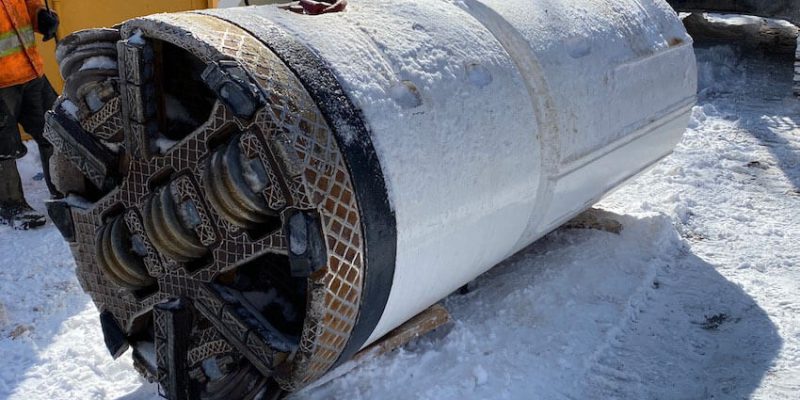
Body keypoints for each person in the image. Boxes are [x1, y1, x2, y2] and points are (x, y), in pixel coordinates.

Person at [0, 0, 59, 229]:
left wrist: (41, 17)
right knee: (4, 147)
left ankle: (64, 188)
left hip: (31, 70)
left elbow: (26, 4)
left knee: (55, 129)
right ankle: (10, 205)